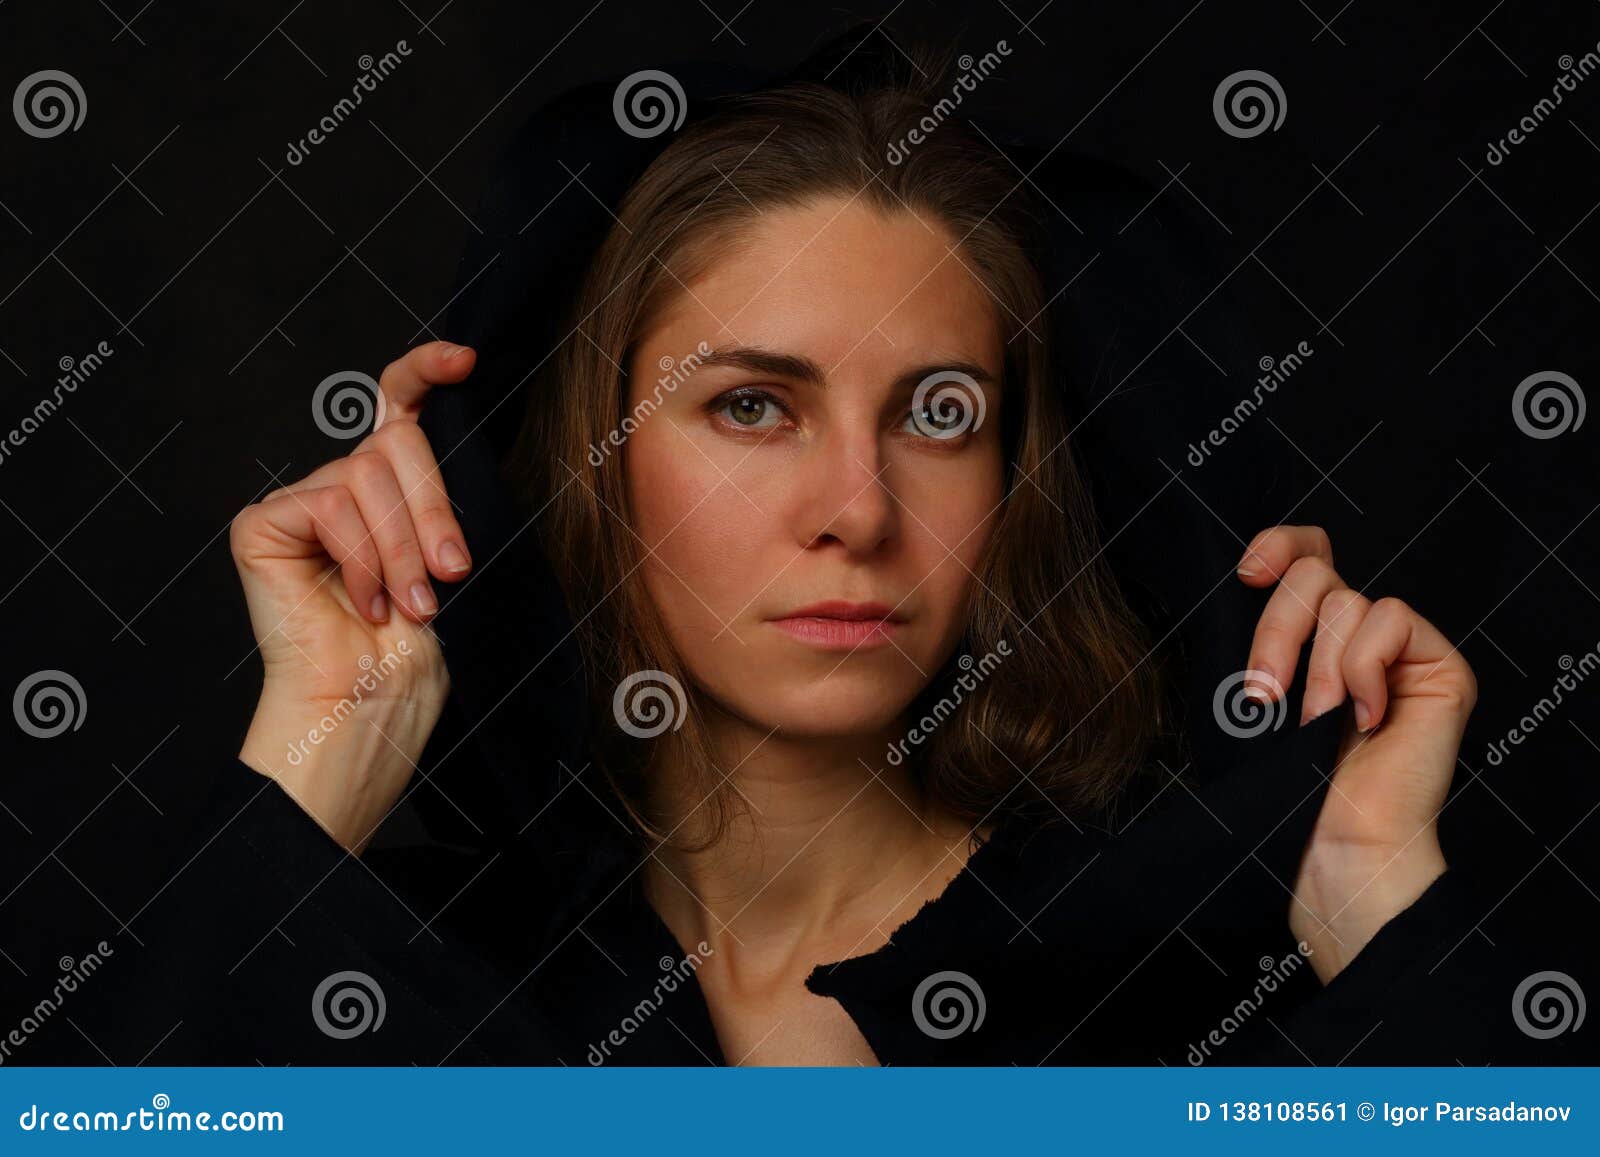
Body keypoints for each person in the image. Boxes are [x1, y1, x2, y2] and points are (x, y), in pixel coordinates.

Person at [44, 42, 1586, 1068]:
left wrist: (1369, 893)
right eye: (753, 405)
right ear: (598, 456)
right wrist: (312, 767)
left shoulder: (1189, 991)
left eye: (936, 410)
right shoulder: (411, 981)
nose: (856, 505)